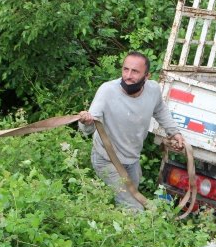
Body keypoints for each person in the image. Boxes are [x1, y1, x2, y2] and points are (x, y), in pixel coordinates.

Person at [79, 51, 184, 210]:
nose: (128, 75)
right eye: (125, 69)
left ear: (147, 75)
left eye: (135, 71)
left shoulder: (153, 89)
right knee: (133, 207)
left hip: (132, 160)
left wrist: (175, 133)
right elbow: (87, 128)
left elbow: (160, 110)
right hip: (107, 159)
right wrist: (86, 121)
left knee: (131, 197)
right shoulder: (107, 91)